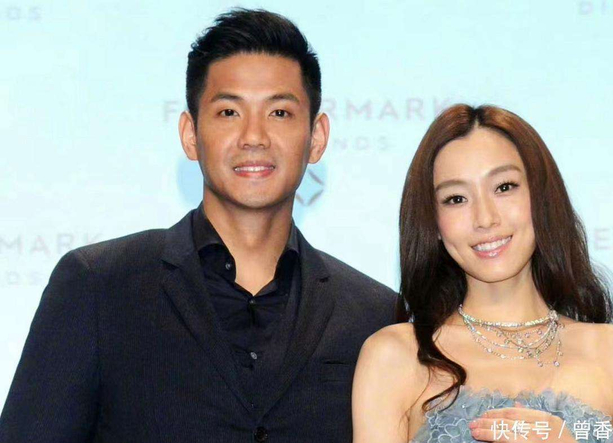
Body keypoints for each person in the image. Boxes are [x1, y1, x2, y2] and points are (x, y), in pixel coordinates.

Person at [0, 8, 396, 443]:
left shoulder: (375, 316)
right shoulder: (99, 285)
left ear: (316, 137)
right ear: (190, 135)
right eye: (228, 112)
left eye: (280, 113)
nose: (254, 137)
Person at [352, 104, 613, 443]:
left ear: (542, 197)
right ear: (433, 223)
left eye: (504, 187)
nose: (485, 218)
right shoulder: (395, 356)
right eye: (456, 199)